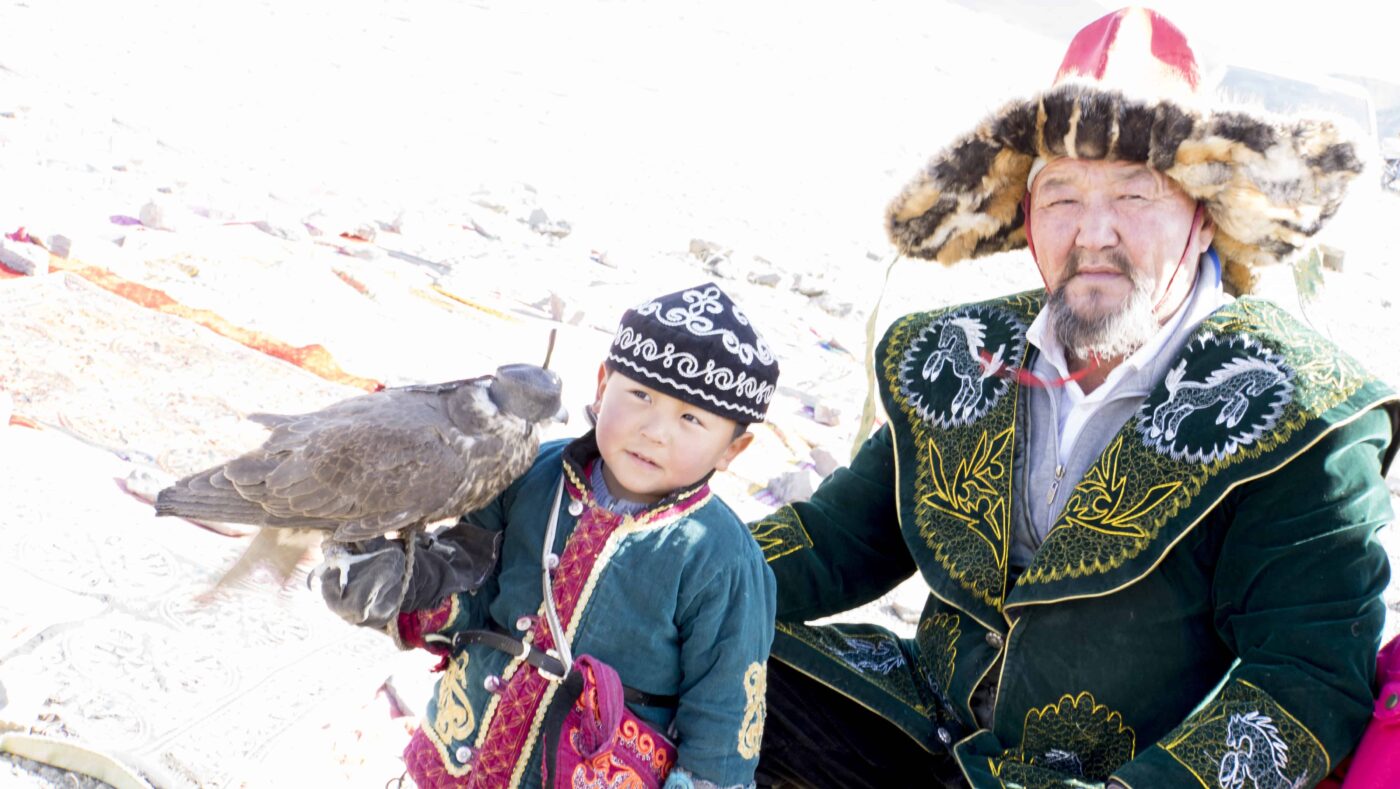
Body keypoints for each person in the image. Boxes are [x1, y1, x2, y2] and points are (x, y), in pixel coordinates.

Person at [749, 7, 1398, 788]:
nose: (1094, 232)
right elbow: (837, 540)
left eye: (1136, 194)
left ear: (1202, 218)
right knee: (690, 657)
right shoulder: (967, 354)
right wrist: (675, 568)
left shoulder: (1300, 409)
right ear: (1027, 219)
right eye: (1061, 196)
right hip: (914, 727)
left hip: (1121, 777)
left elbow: (1304, 682)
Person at [318, 282, 780, 789]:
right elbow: (466, 583)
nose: (655, 430)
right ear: (602, 387)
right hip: (461, 757)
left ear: (731, 451)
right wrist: (395, 587)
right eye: (640, 395)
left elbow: (725, 718)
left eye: (691, 418)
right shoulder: (528, 471)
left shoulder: (722, 558)